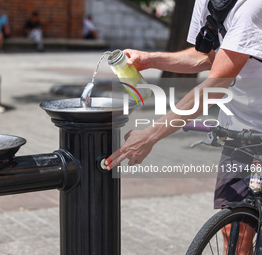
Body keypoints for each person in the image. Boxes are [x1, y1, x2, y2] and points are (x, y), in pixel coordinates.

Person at [105, 0, 262, 253]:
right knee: (235, 229)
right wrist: (149, 60)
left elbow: (214, 86)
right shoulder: (209, 3)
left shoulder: (252, 7)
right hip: (240, 127)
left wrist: (151, 136)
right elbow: (209, 56)